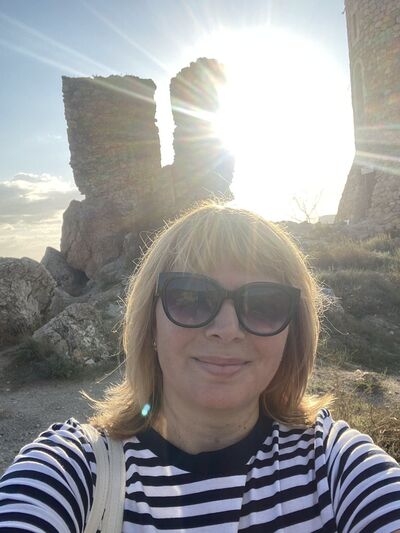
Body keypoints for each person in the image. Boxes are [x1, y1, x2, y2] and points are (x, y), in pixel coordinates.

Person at [0, 202, 399, 532]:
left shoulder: (333, 464)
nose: (227, 330)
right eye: (190, 298)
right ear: (150, 323)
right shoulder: (73, 468)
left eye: (264, 304)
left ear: (292, 333)